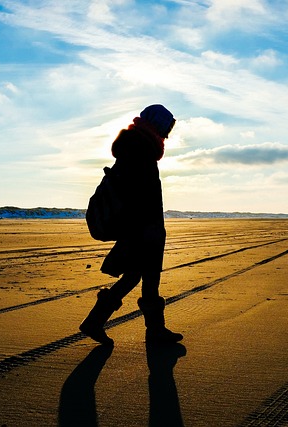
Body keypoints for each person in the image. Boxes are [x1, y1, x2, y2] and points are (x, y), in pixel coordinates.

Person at [80, 104, 183, 346]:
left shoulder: (136, 146)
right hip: (143, 229)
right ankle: (153, 332)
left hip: (141, 228)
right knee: (145, 279)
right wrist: (150, 231)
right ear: (157, 124)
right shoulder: (142, 150)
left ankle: (97, 322)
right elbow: (141, 197)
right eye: (166, 127)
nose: (167, 134)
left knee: (136, 277)